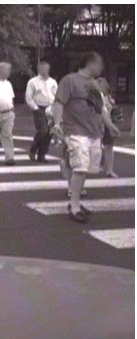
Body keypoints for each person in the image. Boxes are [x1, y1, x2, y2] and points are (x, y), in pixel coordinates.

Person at [51, 52, 121, 223]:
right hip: (76, 131)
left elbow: (101, 109)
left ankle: (75, 201)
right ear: (90, 63)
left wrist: (111, 126)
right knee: (80, 168)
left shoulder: (94, 85)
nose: (101, 68)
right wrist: (57, 124)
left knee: (88, 169)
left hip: (94, 132)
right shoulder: (70, 80)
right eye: (99, 64)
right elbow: (59, 103)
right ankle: (74, 206)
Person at [25, 60, 58, 163]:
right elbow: (29, 97)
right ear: (38, 69)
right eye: (42, 68)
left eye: (46, 68)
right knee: (42, 130)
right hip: (39, 107)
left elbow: (56, 95)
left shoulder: (53, 82)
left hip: (51, 108)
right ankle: (33, 148)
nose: (44, 70)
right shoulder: (33, 82)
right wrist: (35, 108)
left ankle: (42, 154)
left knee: (49, 133)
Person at [97, 77, 123, 178]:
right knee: (95, 145)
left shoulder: (107, 97)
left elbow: (109, 111)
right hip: (97, 123)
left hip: (107, 122)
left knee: (109, 146)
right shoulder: (94, 96)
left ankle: (109, 169)